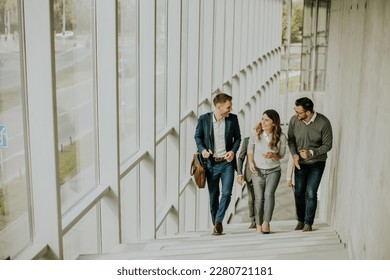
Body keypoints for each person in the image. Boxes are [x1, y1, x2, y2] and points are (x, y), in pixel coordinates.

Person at [194, 93, 242, 236]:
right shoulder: (204, 119)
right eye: (228, 107)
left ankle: (219, 221)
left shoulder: (232, 119)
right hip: (211, 164)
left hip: (227, 163)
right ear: (219, 106)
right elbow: (198, 136)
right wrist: (202, 150)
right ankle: (216, 224)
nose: (230, 109)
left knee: (226, 193)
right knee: (213, 195)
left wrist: (233, 151)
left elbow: (238, 138)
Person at [288, 97, 333, 232]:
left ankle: (308, 223)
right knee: (299, 192)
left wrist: (312, 152)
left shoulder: (323, 122)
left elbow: (328, 145)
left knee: (311, 193)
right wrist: (295, 155)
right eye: (295, 111)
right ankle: (300, 220)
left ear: (308, 112)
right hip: (300, 163)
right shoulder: (294, 120)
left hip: (317, 163)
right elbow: (291, 139)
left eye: (299, 112)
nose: (296, 115)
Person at [247, 109, 287, 234]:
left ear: (274, 123)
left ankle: (266, 222)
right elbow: (250, 150)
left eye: (266, 120)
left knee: (269, 194)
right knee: (259, 198)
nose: (263, 122)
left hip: (273, 170)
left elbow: (281, 155)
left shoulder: (281, 137)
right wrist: (251, 163)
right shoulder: (256, 134)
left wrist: (272, 156)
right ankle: (258, 225)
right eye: (262, 119)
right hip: (257, 171)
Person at [236, 137, 256, 229]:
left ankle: (261, 220)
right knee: (251, 199)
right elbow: (240, 157)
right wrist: (239, 173)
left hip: (264, 173)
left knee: (262, 198)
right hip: (250, 174)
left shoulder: (266, 138)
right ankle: (253, 221)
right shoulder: (247, 140)